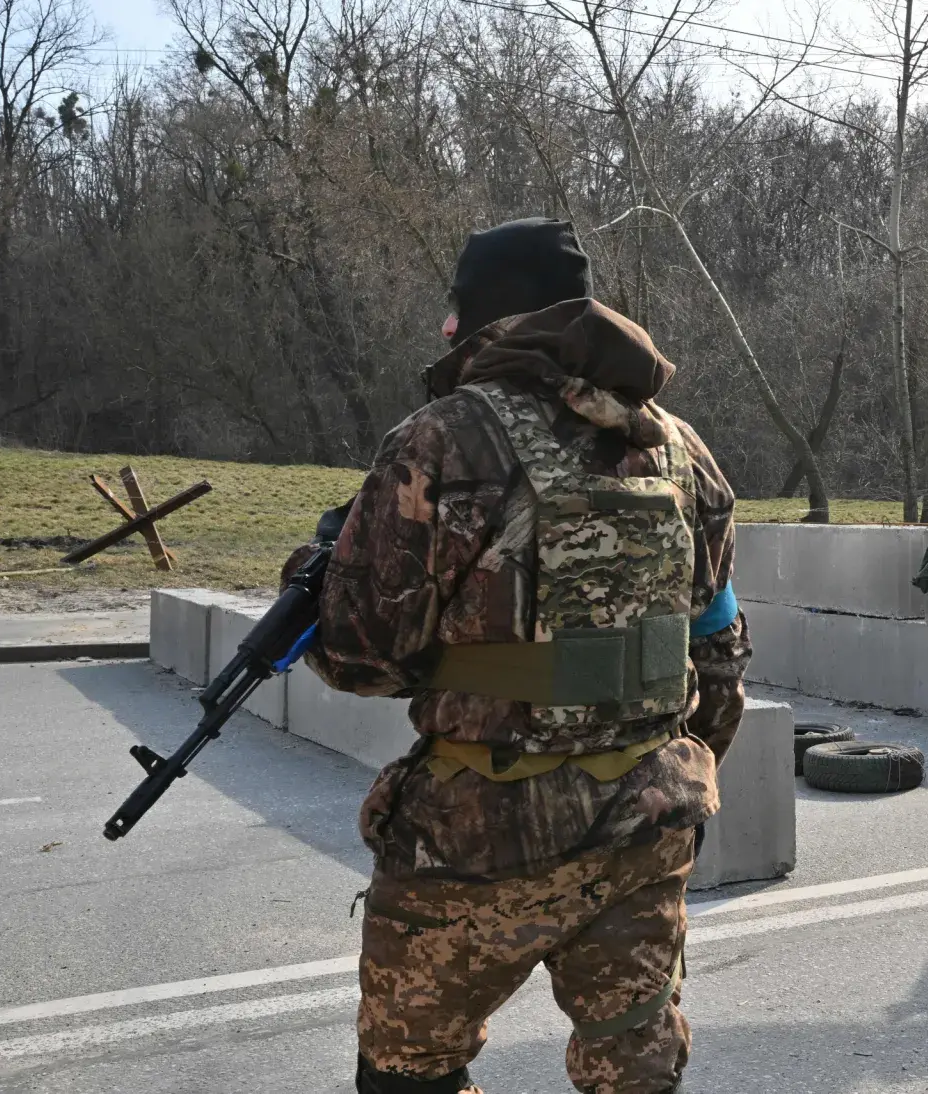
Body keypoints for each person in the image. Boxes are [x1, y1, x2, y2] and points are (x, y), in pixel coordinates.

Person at [285, 217, 752, 1094]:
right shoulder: (680, 449)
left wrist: (313, 569)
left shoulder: (441, 441)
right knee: (635, 1074)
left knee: (408, 1074)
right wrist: (664, 779)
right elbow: (719, 659)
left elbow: (359, 656)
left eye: (454, 308)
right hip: (645, 830)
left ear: (482, 315)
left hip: (472, 840)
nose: (443, 327)